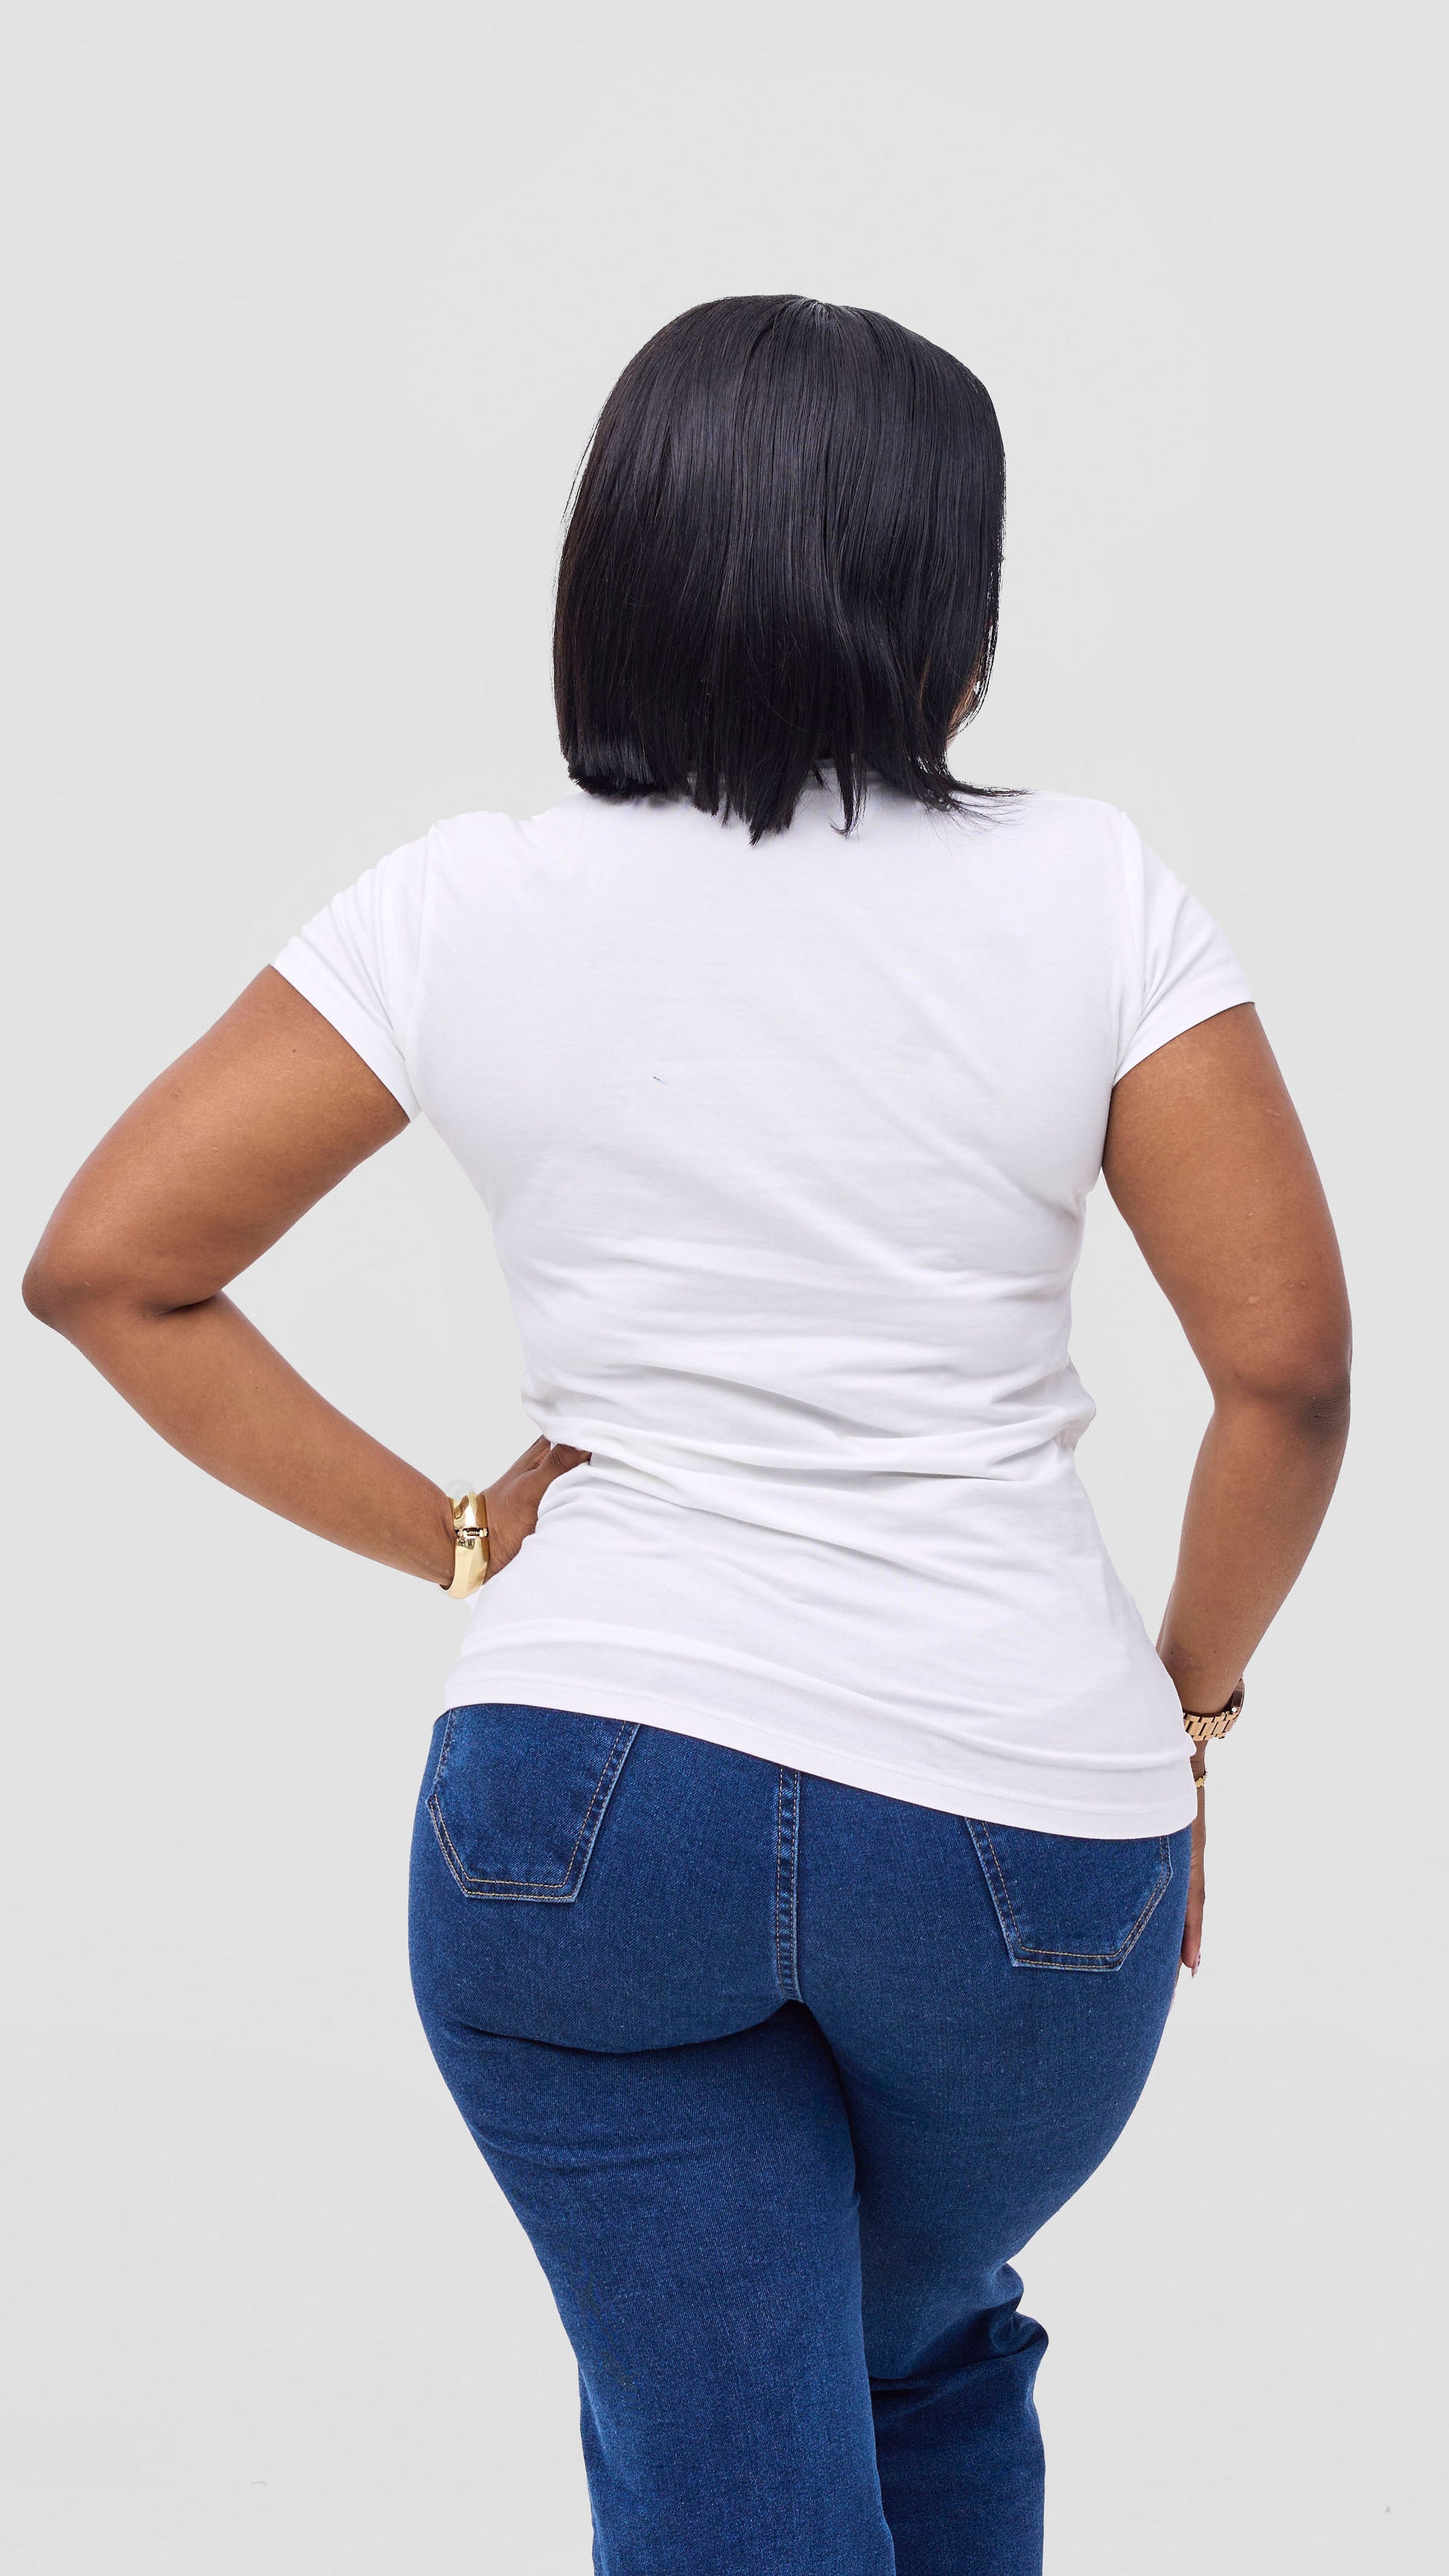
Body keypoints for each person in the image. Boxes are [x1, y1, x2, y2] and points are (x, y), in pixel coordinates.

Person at [23, 295, 1350, 2575]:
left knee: (739, 2443)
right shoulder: (1093, 892)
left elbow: (107, 1266)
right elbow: (1286, 1373)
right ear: (946, 607)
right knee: (911, 2347)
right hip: (1023, 1843)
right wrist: (1191, 1705)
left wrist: (460, 1537)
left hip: (586, 1814)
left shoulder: (458, 902)